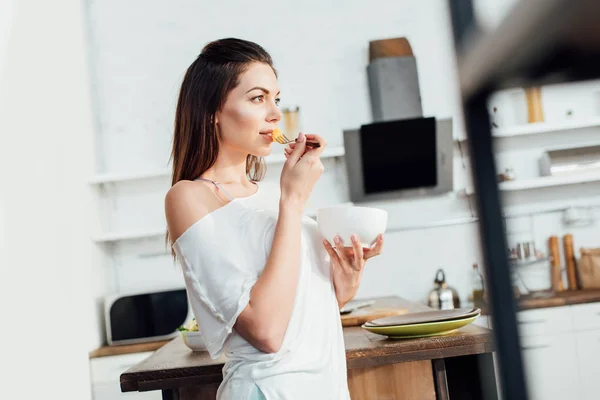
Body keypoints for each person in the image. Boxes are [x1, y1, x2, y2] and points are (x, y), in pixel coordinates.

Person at [164, 38, 384, 400]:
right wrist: (294, 200)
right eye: (257, 98)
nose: (275, 114)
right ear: (212, 111)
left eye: (276, 99)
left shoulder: (270, 194)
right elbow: (266, 331)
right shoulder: (189, 197)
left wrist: (345, 279)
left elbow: (305, 311)